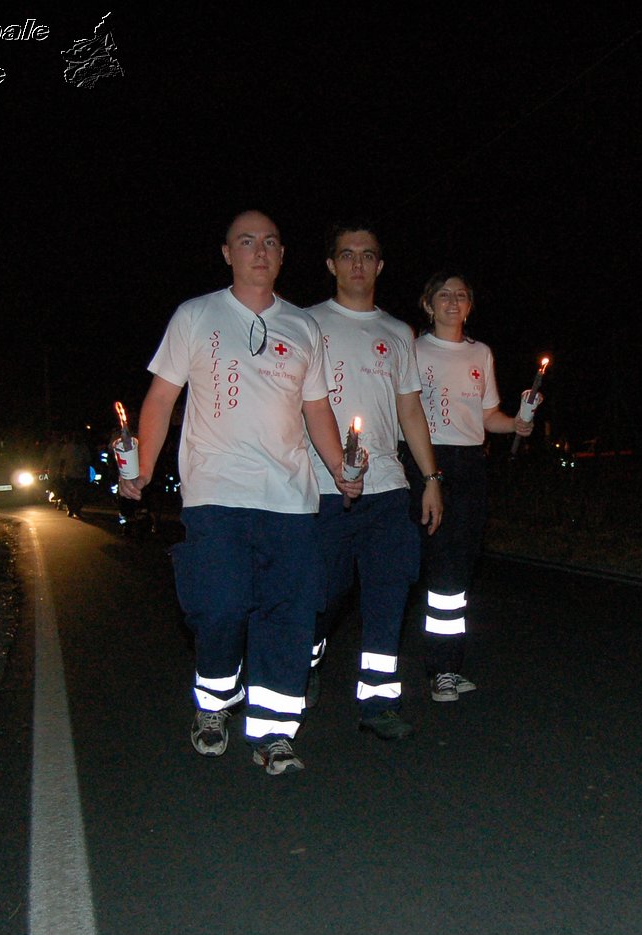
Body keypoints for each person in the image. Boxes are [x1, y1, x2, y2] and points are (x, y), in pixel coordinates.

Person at [119, 210, 363, 775]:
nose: (260, 251)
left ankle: (275, 732)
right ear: (227, 253)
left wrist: (340, 469)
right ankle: (215, 702)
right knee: (220, 606)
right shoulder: (196, 316)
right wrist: (145, 467)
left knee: (288, 616)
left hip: (291, 501)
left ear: (282, 256)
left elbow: (318, 408)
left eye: (271, 242)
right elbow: (160, 398)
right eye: (247, 242)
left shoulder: (303, 327)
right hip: (216, 495)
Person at [305, 224, 444, 740]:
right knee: (322, 594)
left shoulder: (397, 332)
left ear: (380, 266)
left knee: (389, 595)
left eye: (367, 255)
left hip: (387, 488)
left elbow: (410, 408)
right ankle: (306, 658)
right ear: (331, 264)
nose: (357, 264)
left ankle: (378, 702)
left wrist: (429, 478)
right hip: (321, 489)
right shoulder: (305, 324)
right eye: (347, 255)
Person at [408, 271, 537, 703]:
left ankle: (446, 666)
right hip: (425, 461)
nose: (452, 301)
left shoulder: (481, 353)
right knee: (425, 565)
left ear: (469, 306)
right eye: (443, 294)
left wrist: (519, 422)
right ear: (428, 304)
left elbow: (488, 417)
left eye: (461, 295)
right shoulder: (413, 349)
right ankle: (422, 665)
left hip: (469, 465)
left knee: (457, 571)